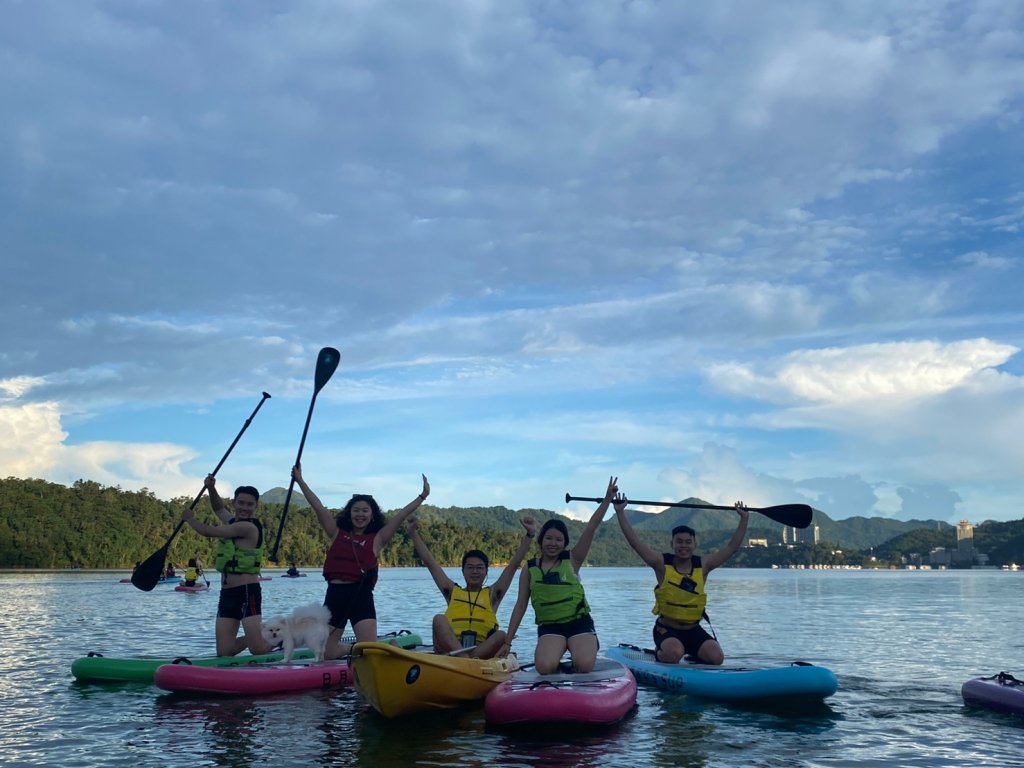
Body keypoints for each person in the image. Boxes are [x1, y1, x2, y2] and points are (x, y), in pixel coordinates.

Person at [292, 463, 429, 660]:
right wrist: (300, 481)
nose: (360, 514)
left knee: (371, 652)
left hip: (361, 596)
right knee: (327, 653)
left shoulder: (378, 538)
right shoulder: (336, 532)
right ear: (349, 513)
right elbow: (318, 506)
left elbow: (400, 516)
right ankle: (353, 649)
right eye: (356, 510)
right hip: (335, 596)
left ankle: (383, 648)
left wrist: (422, 496)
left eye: (365, 511)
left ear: (372, 515)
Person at [613, 491, 749, 664]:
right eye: (679, 542)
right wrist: (620, 512)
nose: (683, 546)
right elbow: (635, 542)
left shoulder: (704, 565)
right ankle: (660, 652)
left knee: (717, 658)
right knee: (674, 653)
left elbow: (732, 548)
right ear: (672, 544)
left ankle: (692, 653)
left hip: (693, 629)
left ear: (694, 544)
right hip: (667, 628)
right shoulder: (661, 564)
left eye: (688, 542)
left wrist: (744, 519)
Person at [505, 476, 618, 674]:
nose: (553, 543)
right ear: (541, 541)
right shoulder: (529, 569)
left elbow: (591, 527)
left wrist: (607, 499)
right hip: (550, 627)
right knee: (544, 667)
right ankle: (558, 657)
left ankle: (585, 647)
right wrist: (508, 641)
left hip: (578, 623)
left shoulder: (573, 559)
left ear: (564, 543)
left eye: (558, 539)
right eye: (548, 538)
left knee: (584, 665)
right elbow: (521, 605)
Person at [408, 515, 537, 658]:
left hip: (481, 650)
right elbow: (430, 562)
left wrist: (529, 535)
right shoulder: (451, 591)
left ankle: (468, 660)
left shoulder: (493, 595)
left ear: (486, 571)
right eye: (470, 567)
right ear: (463, 571)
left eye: (479, 568)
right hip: (450, 649)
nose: (475, 571)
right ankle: (465, 659)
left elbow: (513, 566)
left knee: (501, 635)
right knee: (439, 619)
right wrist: (413, 533)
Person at [181, 475, 271, 657]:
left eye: (249, 504)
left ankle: (278, 636)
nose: (245, 508)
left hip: (247, 591)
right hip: (227, 594)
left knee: (257, 650)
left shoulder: (248, 527)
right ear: (235, 503)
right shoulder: (233, 522)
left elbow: (208, 531)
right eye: (241, 503)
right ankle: (266, 632)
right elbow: (219, 508)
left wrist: (191, 520)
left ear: (256, 506)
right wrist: (211, 488)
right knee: (224, 652)